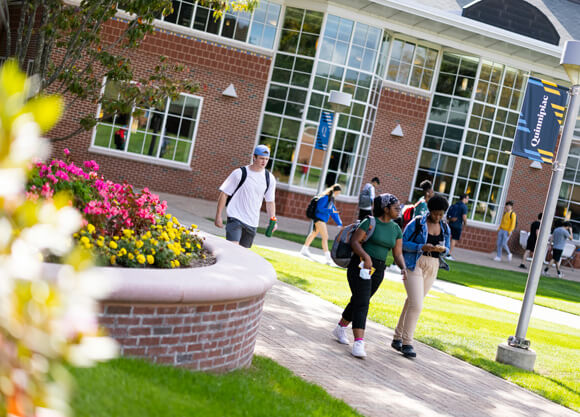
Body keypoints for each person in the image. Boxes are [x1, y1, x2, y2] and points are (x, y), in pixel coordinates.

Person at [332, 194, 407, 358]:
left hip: (378, 270)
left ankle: (340, 327)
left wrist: (403, 267)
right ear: (386, 209)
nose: (399, 210)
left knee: (360, 300)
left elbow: (398, 253)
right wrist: (366, 257)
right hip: (360, 266)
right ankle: (359, 341)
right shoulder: (370, 222)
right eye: (396, 208)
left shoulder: (396, 229)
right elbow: (355, 242)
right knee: (363, 302)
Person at [392, 194, 450, 359]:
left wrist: (442, 249)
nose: (437, 217)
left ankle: (397, 337)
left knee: (412, 302)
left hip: (433, 266)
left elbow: (447, 248)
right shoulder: (418, 222)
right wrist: (421, 246)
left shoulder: (445, 227)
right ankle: (407, 342)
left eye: (441, 214)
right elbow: (401, 242)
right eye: (435, 213)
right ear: (429, 210)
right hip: (414, 263)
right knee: (417, 304)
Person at [215, 144, 277, 248]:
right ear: (254, 157)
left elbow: (270, 202)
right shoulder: (239, 173)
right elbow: (224, 194)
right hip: (235, 217)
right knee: (233, 248)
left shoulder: (269, 178)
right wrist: (218, 216)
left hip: (252, 222)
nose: (264, 162)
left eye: (267, 159)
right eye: (261, 158)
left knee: (243, 255)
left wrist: (272, 220)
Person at [300, 184, 343, 264]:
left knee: (313, 234)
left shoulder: (331, 200)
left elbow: (334, 212)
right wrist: (329, 211)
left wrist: (339, 223)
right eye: (337, 193)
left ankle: (304, 250)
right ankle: (327, 258)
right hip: (319, 219)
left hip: (322, 220)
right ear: (334, 191)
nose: (337, 195)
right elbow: (319, 208)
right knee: (325, 236)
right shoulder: (325, 198)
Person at [445, 194, 469, 261]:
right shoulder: (464, 207)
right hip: (457, 225)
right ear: (464, 199)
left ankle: (444, 251)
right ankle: (448, 254)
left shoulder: (455, 204)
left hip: (450, 224)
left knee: (448, 238)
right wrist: (465, 224)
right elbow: (464, 217)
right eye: (467, 198)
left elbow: (448, 215)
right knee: (454, 239)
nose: (467, 200)